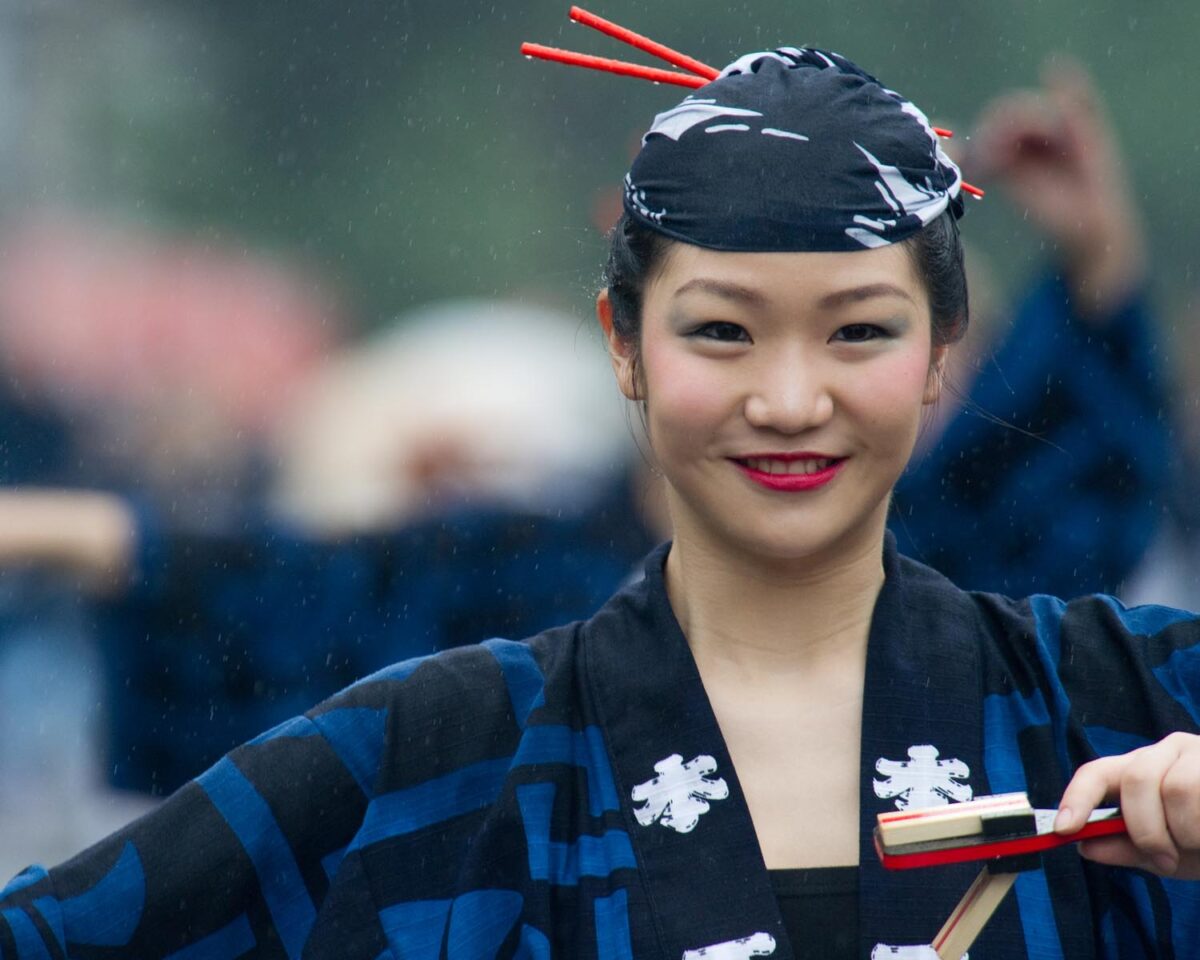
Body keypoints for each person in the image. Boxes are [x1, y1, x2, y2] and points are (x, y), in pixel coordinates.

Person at [1, 41, 1199, 960]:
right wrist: (60, 529)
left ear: (945, 351)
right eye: (722, 331)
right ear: (622, 344)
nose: (789, 399)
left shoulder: (1129, 709)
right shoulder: (437, 756)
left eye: (859, 333)